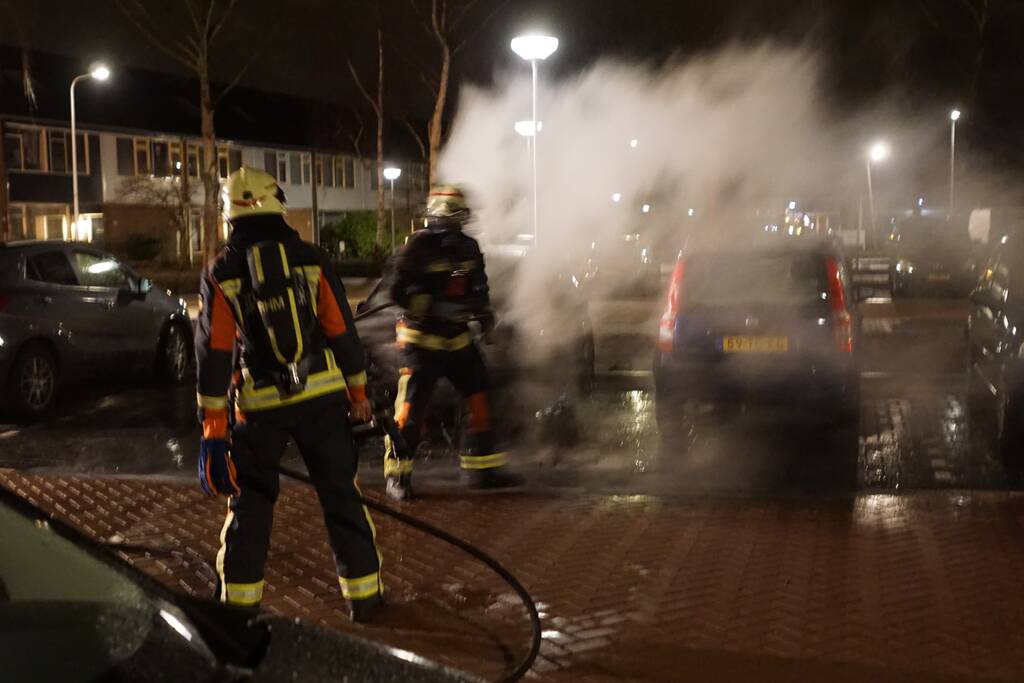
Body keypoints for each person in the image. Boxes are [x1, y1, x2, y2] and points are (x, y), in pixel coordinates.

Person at [195, 167, 383, 622]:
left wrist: (214, 430)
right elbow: (342, 331)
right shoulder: (312, 259)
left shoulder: (221, 271)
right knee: (341, 495)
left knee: (250, 505)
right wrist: (358, 394)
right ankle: (365, 599)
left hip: (258, 409)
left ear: (229, 214)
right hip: (321, 400)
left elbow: (215, 356)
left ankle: (238, 608)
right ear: (276, 202)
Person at [383, 184, 522, 501]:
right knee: (409, 413)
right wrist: (428, 307)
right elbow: (396, 292)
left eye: (460, 218)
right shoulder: (417, 247)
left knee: (480, 402)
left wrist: (486, 320)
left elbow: (479, 288)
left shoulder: (469, 248)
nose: (456, 225)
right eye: (453, 217)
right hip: (420, 341)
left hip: (458, 339)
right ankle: (398, 476)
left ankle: (482, 471)